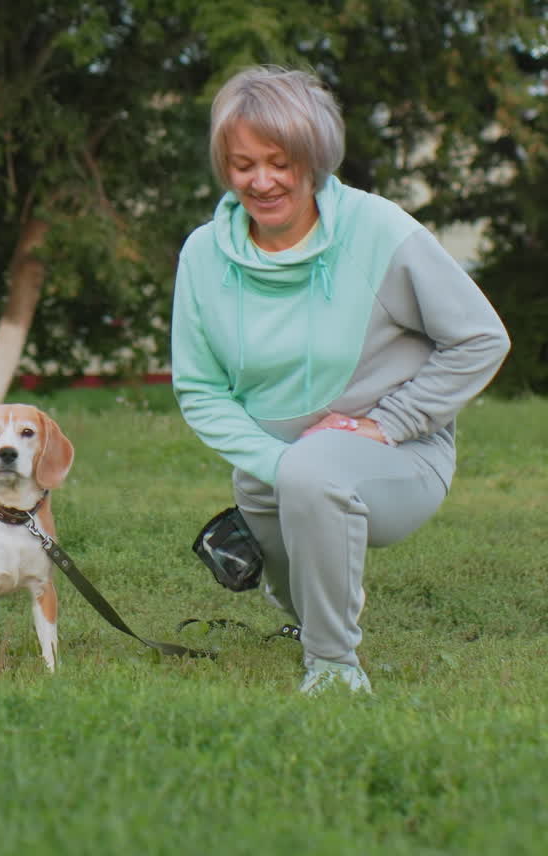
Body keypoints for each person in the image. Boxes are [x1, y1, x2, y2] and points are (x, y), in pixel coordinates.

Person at [171, 65, 510, 695]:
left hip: (401, 457)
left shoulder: (379, 230)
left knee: (313, 474)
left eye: (281, 162)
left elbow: (481, 338)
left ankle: (333, 668)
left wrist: (392, 421)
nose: (263, 181)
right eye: (244, 164)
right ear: (225, 165)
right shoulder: (202, 254)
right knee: (296, 501)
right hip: (268, 469)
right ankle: (303, 611)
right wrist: (276, 462)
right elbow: (199, 388)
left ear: (315, 158)